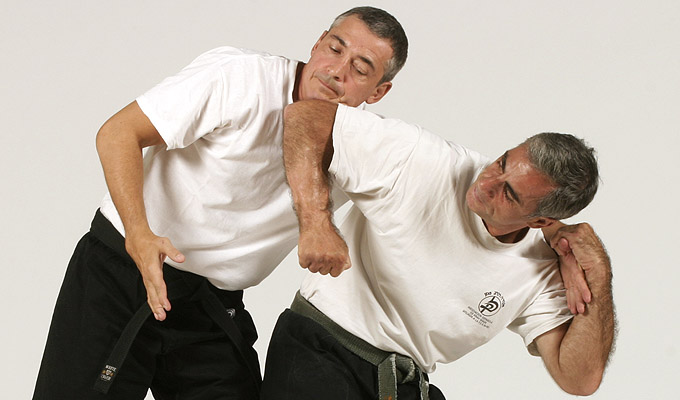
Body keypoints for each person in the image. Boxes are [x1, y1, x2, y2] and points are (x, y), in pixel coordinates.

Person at [32, 7, 408, 400]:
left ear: (378, 92)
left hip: (209, 305)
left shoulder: (367, 148)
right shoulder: (240, 77)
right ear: (317, 44)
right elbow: (118, 133)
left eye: (360, 69)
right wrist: (138, 234)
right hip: (124, 273)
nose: (337, 71)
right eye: (334, 49)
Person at [260, 100, 616, 399]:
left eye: (509, 194)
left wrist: (598, 277)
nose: (487, 183)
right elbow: (308, 117)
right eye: (501, 163)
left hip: (401, 381)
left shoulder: (540, 268)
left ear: (539, 221)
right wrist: (316, 222)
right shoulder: (423, 161)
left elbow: (579, 380)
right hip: (320, 349)